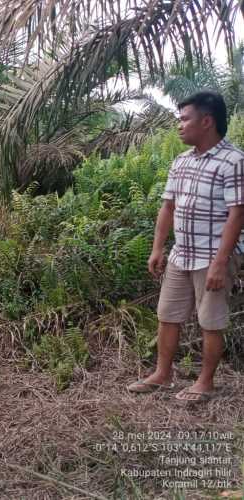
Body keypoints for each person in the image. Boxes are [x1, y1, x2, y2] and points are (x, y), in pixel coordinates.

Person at [127, 91, 244, 401]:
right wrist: (157, 248)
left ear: (207, 122)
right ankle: (162, 375)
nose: (179, 126)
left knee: (210, 320)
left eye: (184, 119)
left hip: (213, 256)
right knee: (168, 315)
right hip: (183, 254)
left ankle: (204, 383)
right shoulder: (181, 161)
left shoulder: (233, 161)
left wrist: (221, 262)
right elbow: (168, 207)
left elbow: (238, 213)